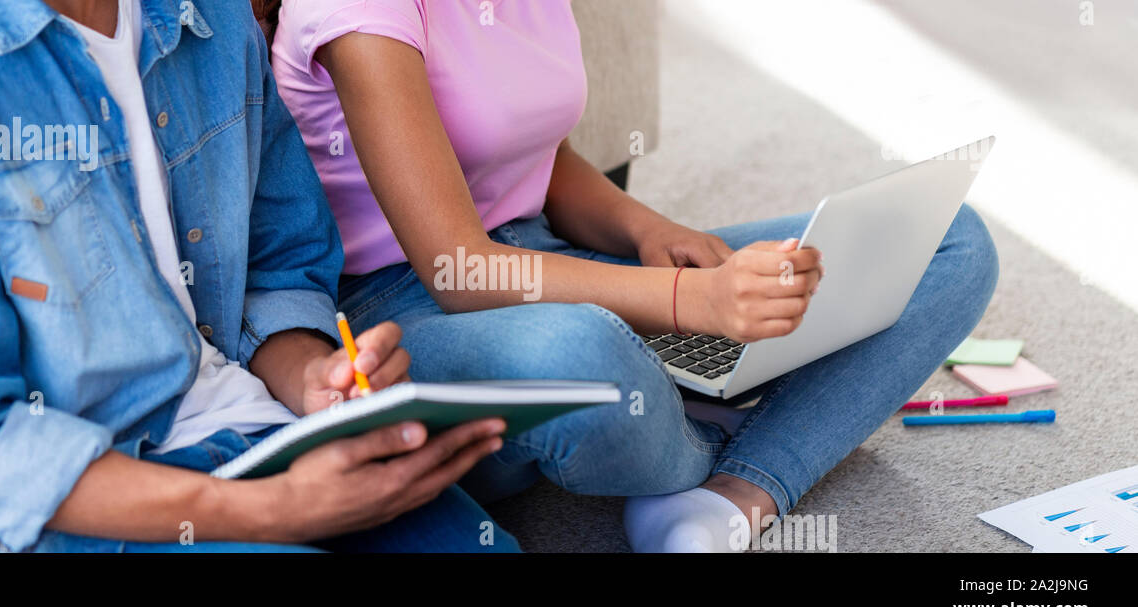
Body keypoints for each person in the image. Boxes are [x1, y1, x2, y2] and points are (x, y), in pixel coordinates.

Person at [263, 0, 1000, 551]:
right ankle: (733, 403)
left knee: (950, 242)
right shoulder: (357, 10)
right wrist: (691, 302)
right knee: (579, 356)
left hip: (553, 260)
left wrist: (651, 230)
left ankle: (730, 494)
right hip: (406, 312)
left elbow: (535, 155)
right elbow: (461, 269)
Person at [0, 0, 516, 553]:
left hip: (243, 432)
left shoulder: (212, 17)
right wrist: (274, 511)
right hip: (31, 513)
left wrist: (316, 381)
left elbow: (275, 268)